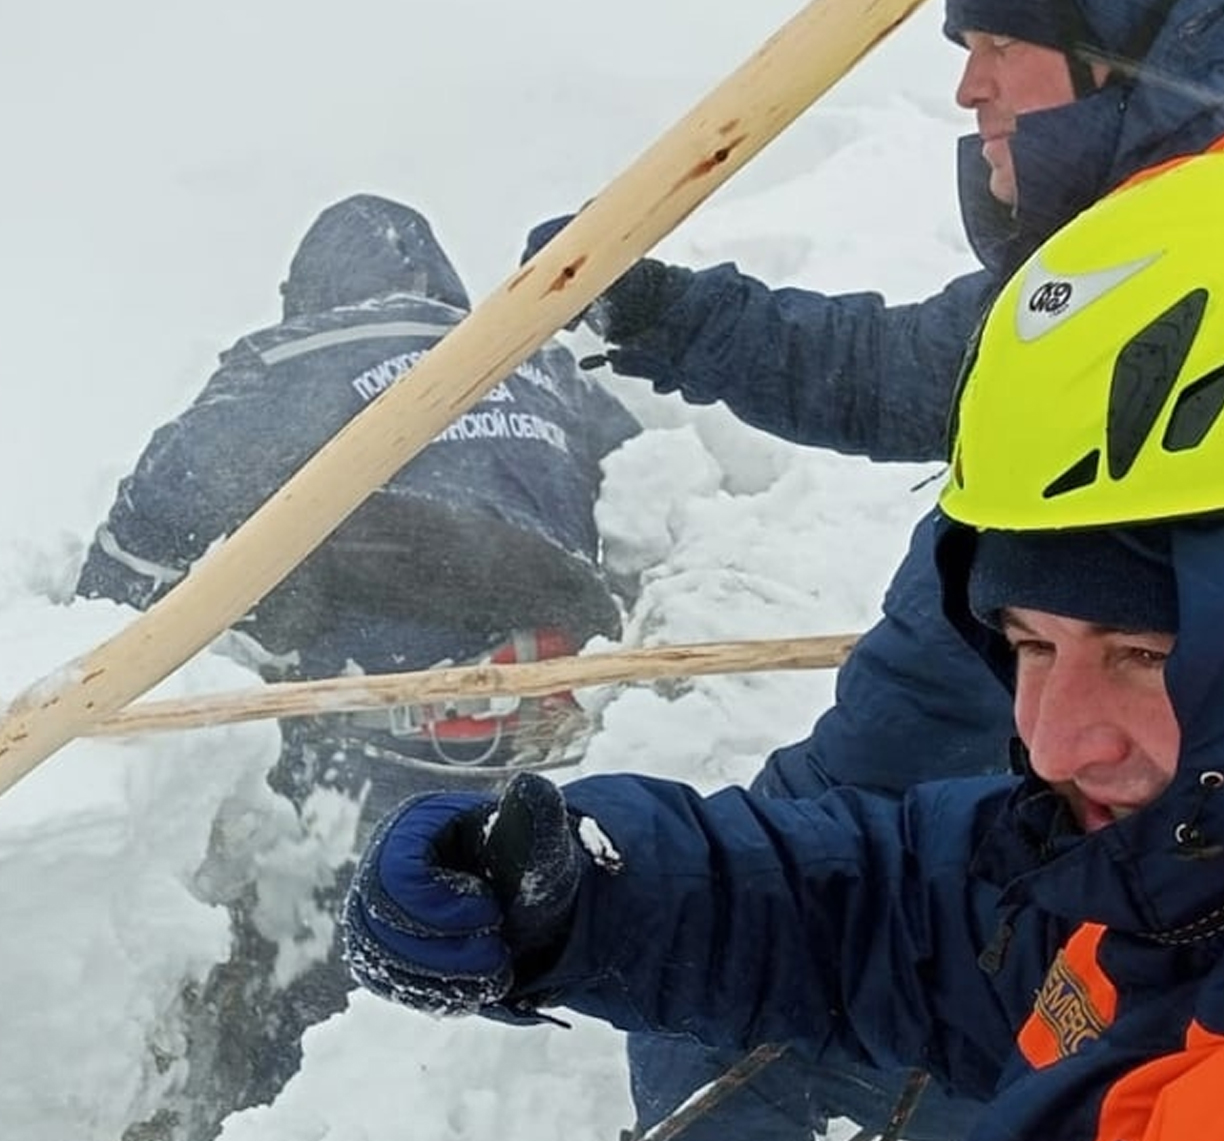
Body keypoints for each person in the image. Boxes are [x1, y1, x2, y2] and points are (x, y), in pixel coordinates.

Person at [344, 143, 1224, 1141]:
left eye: (1144, 654)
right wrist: (581, 898)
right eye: (1028, 645)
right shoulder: (1154, 877)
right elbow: (920, 915)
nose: (1058, 741)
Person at [76, 192, 640, 1140]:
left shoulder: (298, 359)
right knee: (520, 945)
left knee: (336, 960)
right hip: (554, 715)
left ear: (313, 293)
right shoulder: (542, 359)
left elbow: (150, 524)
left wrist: (92, 637)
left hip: (377, 723)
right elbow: (649, 501)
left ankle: (283, 1093)